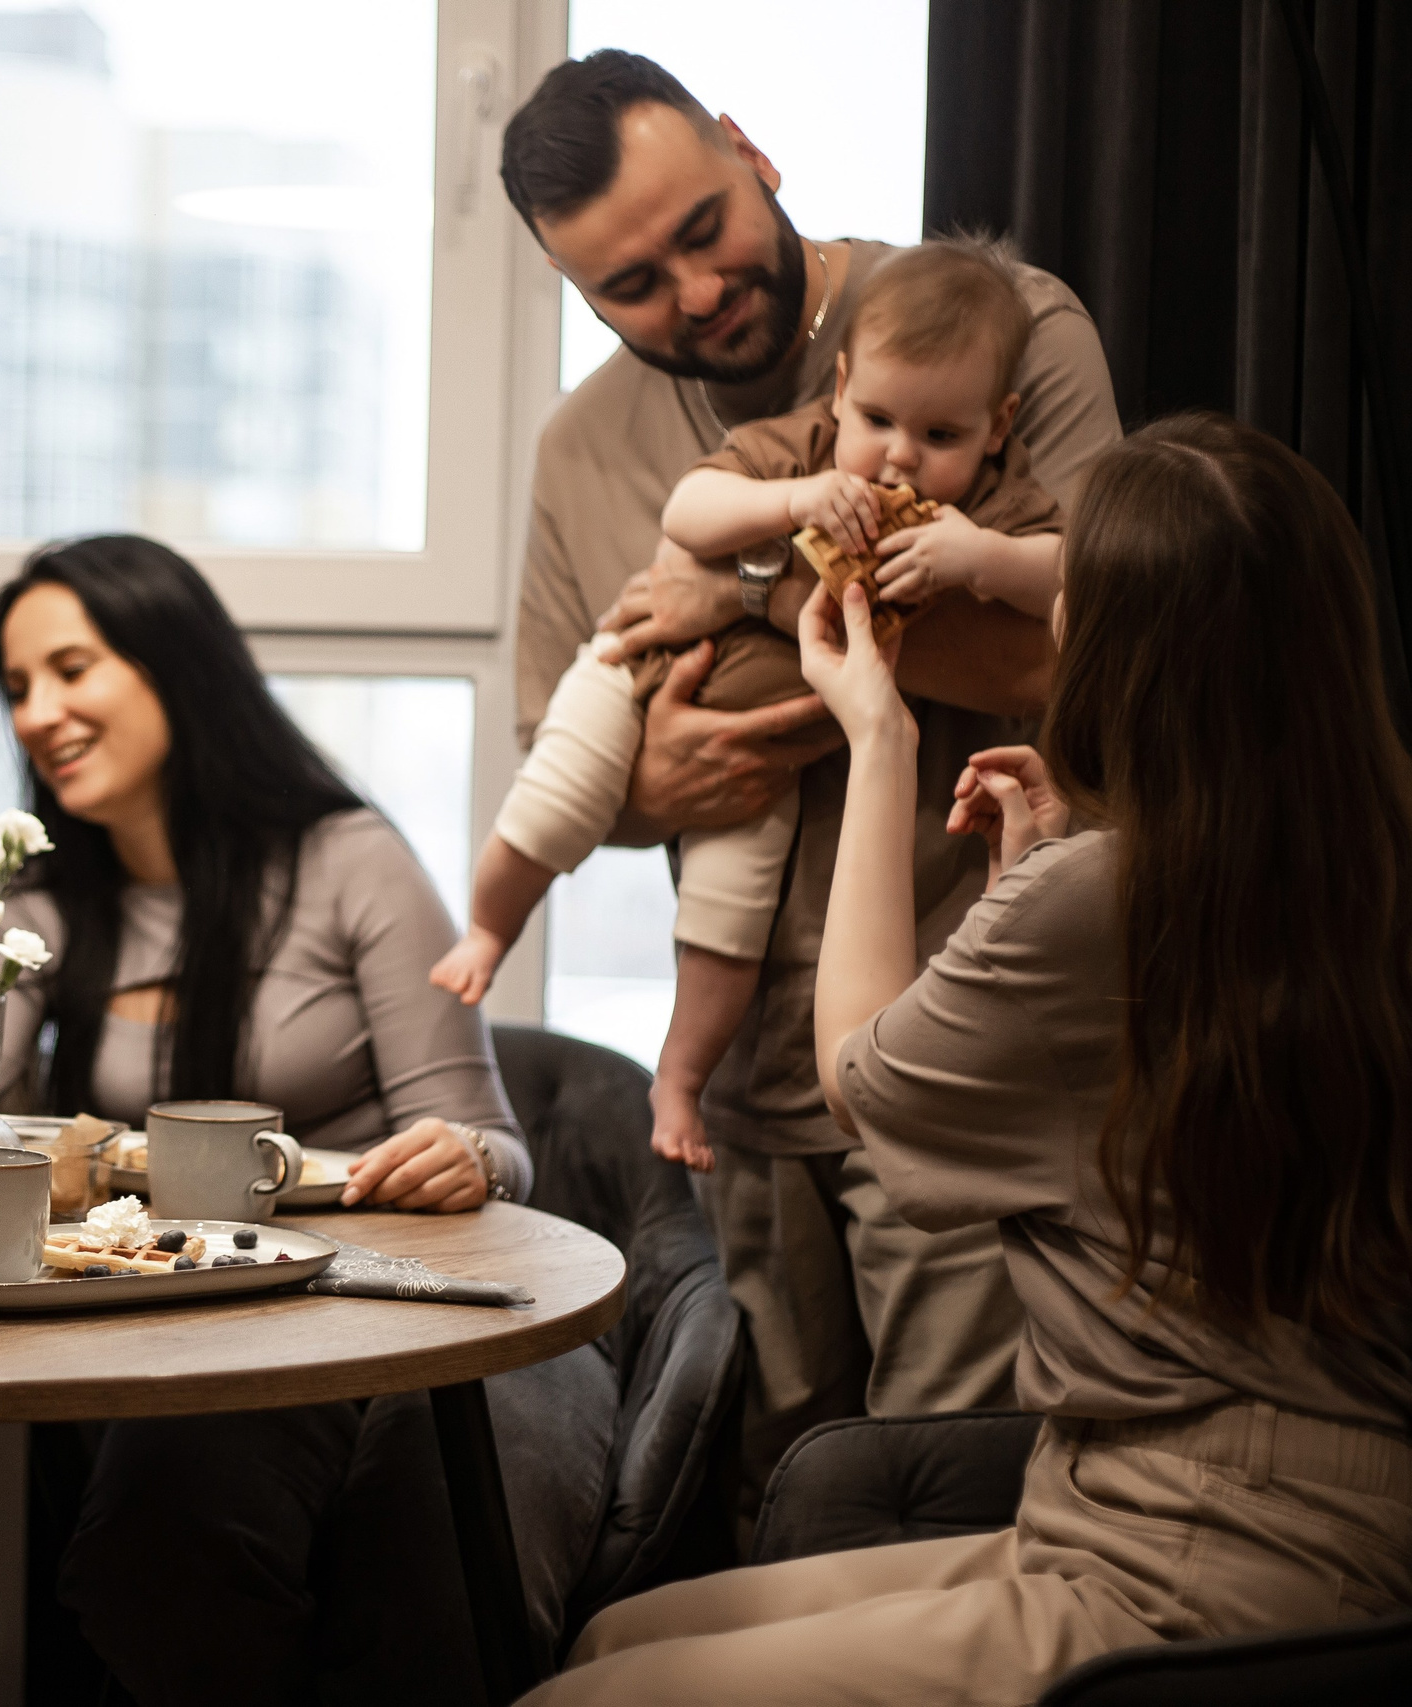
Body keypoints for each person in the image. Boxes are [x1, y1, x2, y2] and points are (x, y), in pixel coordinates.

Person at [531, 415, 1412, 1699]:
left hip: (1195, 1553)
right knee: (620, 1641)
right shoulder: (1347, 867)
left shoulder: (1110, 894)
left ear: (1120, 652)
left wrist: (878, 739)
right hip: (1277, 1517)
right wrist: (1034, 888)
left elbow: (860, 1085)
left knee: (587, 1694)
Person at [498, 49, 1123, 1516]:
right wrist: (648, 771)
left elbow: (1093, 651)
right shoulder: (585, 447)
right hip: (748, 1074)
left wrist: (749, 587)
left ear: (749, 149)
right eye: (630, 285)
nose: (695, 294)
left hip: (969, 1039)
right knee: (778, 1482)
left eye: (701, 228)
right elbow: (570, 772)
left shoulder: (998, 324)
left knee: (955, 1483)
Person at [0, 536, 608, 1704]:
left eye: (71, 669)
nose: (38, 713)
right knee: (147, 1559)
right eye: (16, 687)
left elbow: (494, 1142)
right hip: (215, 1330)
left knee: (427, 1556)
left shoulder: (348, 858)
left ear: (174, 665)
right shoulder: (38, 904)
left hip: (425, 1304)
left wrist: (462, 1155)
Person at [438, 240, 1064, 1177]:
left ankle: (679, 1078)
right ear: (842, 387)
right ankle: (488, 926)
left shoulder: (991, 509)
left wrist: (982, 559)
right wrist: (800, 499)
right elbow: (688, 512)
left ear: (998, 427)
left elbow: (1070, 582)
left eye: (941, 438)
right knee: (549, 801)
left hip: (775, 760)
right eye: (878, 419)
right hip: (641, 668)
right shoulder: (810, 446)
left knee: (726, 927)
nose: (898, 458)